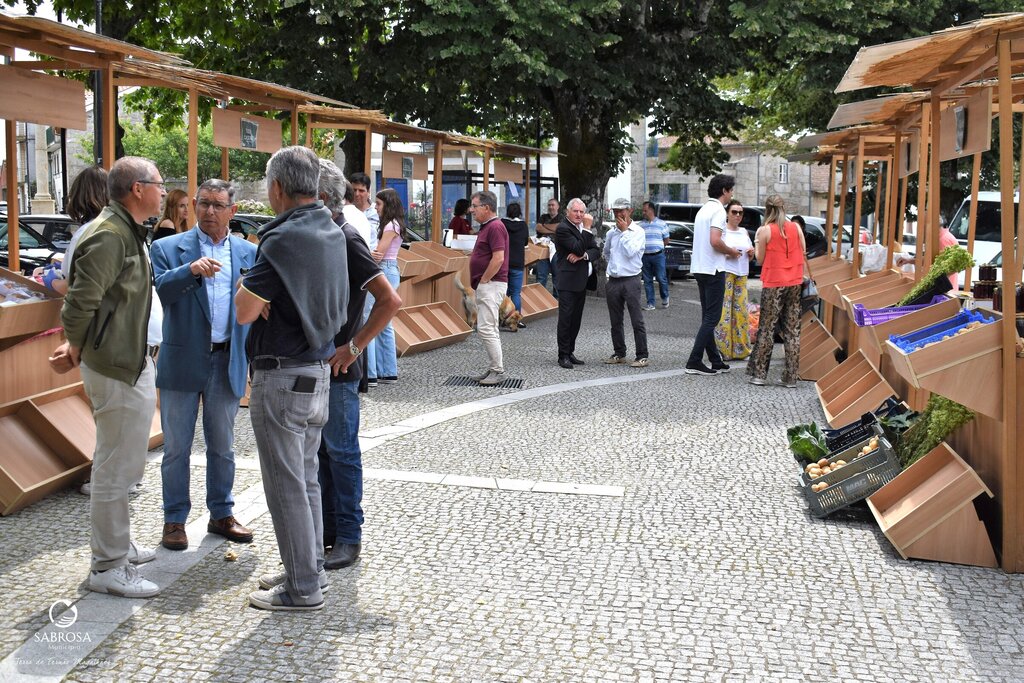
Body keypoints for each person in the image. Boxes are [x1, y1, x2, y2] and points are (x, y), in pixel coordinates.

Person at [236, 145, 349, 612]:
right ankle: (308, 570)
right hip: (317, 370)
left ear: (277, 187)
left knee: (287, 487)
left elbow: (244, 310)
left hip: (282, 375)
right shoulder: (331, 228)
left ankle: (303, 587)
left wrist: (251, 291)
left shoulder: (282, 237)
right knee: (305, 481)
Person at [49, 156, 165, 598]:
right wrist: (75, 346)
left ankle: (116, 547)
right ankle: (108, 565)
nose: (163, 190)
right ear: (137, 189)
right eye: (158, 184)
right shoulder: (110, 234)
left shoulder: (125, 230)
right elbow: (79, 303)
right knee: (116, 469)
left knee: (123, 464)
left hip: (129, 362)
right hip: (116, 365)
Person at [150, 179, 257, 552]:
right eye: (204, 204)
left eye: (218, 205)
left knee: (222, 446)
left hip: (226, 358)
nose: (210, 211)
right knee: (176, 448)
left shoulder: (248, 252)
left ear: (232, 210)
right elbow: (161, 291)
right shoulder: (168, 247)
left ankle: (222, 513)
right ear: (194, 205)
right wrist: (190, 271)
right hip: (182, 358)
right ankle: (174, 519)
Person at [306, 160, 400, 573]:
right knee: (323, 454)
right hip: (316, 363)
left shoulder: (346, 238)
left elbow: (390, 300)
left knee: (341, 453)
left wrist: (354, 347)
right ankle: (328, 532)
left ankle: (348, 535)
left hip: (340, 369)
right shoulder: (323, 235)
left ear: (323, 197)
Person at [685, 174, 745, 376]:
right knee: (712, 317)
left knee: (707, 316)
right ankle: (694, 361)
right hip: (714, 269)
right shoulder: (719, 211)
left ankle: (715, 360)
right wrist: (732, 251)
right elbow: (715, 240)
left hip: (700, 267)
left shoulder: (703, 209)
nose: (732, 194)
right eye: (731, 190)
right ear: (724, 191)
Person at [747, 194, 806, 388]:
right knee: (792, 330)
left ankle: (759, 374)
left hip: (774, 283)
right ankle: (791, 377)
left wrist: (757, 243)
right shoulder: (796, 227)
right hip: (795, 282)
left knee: (767, 328)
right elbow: (803, 251)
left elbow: (760, 259)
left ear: (767, 209)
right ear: (783, 208)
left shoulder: (765, 230)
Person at [39, 165, 108, 295]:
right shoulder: (123, 227)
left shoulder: (86, 233)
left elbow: (75, 287)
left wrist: (52, 281)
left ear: (78, 196)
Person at [468, 190, 510, 385]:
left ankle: (497, 370)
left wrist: (484, 279)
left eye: (475, 206)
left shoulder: (495, 227)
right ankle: (494, 368)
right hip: (489, 284)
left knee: (486, 328)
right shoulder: (489, 226)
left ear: (486, 207)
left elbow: (498, 258)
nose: (472, 210)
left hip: (491, 284)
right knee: (489, 327)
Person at [602, 198, 649, 368]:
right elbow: (606, 253)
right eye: (615, 211)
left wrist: (623, 233)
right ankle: (619, 353)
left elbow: (631, 252)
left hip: (631, 279)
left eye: (622, 211)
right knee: (615, 320)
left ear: (630, 211)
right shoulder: (611, 233)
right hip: (614, 280)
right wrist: (613, 267)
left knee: (637, 320)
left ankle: (642, 355)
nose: (618, 214)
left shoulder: (638, 232)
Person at [555, 198, 600, 369]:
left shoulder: (580, 229)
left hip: (581, 281)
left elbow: (595, 250)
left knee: (576, 320)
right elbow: (578, 247)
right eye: (576, 211)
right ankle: (563, 355)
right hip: (568, 281)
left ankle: (570, 351)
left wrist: (583, 256)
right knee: (566, 319)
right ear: (568, 212)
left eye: (582, 212)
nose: (579, 215)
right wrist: (587, 229)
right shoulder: (563, 228)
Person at [369, 188, 404, 384]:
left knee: (376, 320)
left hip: (385, 269)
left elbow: (378, 254)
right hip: (391, 268)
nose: (376, 207)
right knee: (384, 321)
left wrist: (367, 254)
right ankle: (387, 371)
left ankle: (378, 371)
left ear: (387, 204)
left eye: (379, 204)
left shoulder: (390, 226)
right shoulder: (395, 224)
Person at [349, 172, 380, 388]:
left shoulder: (372, 215)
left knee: (367, 319)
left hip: (367, 272)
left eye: (362, 190)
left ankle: (369, 373)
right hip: (358, 270)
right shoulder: (349, 212)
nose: (358, 194)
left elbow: (373, 249)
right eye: (354, 190)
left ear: (368, 192)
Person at [714, 199, 754, 361]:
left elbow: (750, 255)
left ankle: (741, 350)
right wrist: (730, 252)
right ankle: (724, 350)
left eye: (740, 212)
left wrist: (751, 253)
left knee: (741, 312)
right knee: (724, 312)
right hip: (727, 272)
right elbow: (716, 250)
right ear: (727, 214)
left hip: (742, 273)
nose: (737, 215)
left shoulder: (744, 232)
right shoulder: (722, 231)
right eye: (734, 212)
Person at [640, 201, 670, 310]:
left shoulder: (662, 224)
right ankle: (650, 303)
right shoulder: (641, 225)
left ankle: (665, 297)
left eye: (645, 210)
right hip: (645, 256)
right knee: (647, 280)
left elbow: (666, 240)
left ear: (651, 210)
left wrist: (658, 247)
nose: (643, 213)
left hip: (658, 255)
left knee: (661, 278)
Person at [501, 201, 529, 322]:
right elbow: (525, 242)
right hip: (517, 263)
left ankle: (501, 318)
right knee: (516, 293)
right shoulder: (523, 225)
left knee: (503, 292)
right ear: (519, 213)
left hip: (503, 263)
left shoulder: (502, 223)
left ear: (508, 212)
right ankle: (516, 320)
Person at [534, 198, 561, 297]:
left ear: (558, 207)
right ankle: (539, 299)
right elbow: (538, 228)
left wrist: (545, 226)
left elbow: (559, 227)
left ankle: (556, 300)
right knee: (541, 276)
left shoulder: (562, 218)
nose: (551, 207)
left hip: (557, 251)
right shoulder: (543, 217)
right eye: (549, 205)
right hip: (542, 250)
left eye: (553, 205)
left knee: (557, 276)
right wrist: (553, 229)